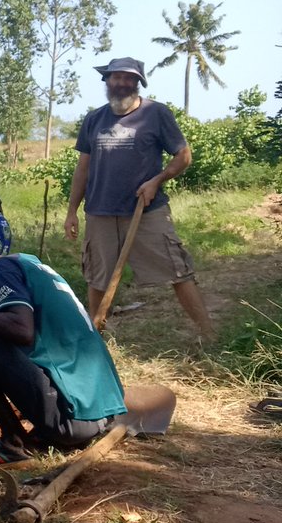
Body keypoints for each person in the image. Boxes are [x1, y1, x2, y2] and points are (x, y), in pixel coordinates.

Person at [0, 227, 127, 464]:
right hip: (100, 412)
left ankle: (15, 443)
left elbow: (22, 331)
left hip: (72, 419)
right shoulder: (25, 263)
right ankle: (27, 437)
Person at [64, 57, 214, 339]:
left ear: (137, 83)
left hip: (146, 211)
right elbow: (83, 168)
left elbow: (183, 156)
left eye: (128, 78)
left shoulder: (156, 113)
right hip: (99, 212)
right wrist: (72, 210)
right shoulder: (94, 119)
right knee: (97, 277)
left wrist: (157, 181)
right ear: (107, 81)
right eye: (116, 77)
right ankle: (97, 340)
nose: (121, 83)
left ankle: (208, 334)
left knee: (177, 270)